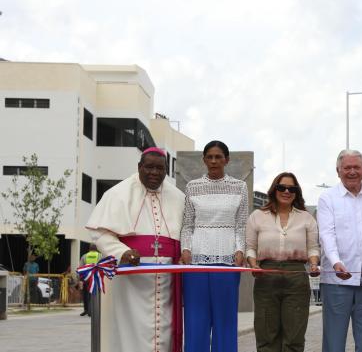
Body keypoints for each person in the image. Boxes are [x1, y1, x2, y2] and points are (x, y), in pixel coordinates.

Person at [85, 147, 185, 352]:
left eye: (160, 168)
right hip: (130, 282)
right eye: (149, 167)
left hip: (167, 281)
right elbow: (100, 233)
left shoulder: (178, 196)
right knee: (130, 334)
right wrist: (122, 252)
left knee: (165, 331)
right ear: (139, 167)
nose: (154, 173)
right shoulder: (118, 193)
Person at [181, 140, 248, 352]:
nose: (213, 161)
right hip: (196, 263)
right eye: (209, 157)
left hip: (227, 262)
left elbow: (241, 224)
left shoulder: (239, 186)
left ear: (226, 160)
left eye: (218, 157)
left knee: (225, 320)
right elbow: (187, 225)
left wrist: (240, 249)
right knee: (195, 319)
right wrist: (186, 249)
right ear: (203, 160)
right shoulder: (192, 186)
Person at [318, 150, 362, 352]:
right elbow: (327, 235)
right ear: (338, 171)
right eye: (347, 167)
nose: (352, 171)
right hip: (337, 280)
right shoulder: (327, 198)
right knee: (334, 342)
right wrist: (336, 262)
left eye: (357, 167)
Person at [246, 172, 320, 352]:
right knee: (266, 335)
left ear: (297, 192)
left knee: (294, 337)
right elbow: (250, 246)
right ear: (274, 190)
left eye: (291, 188)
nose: (286, 191)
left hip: (296, 276)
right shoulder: (257, 216)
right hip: (266, 276)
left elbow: (313, 248)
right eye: (282, 187)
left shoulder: (306, 218)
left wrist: (313, 263)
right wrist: (253, 263)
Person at [80, 244, 101, 316]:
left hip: (87, 277)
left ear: (89, 249)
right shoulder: (100, 255)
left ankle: (86, 310)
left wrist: (80, 278)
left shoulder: (84, 256)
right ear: (96, 249)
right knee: (95, 293)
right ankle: (93, 310)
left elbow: (81, 267)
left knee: (86, 294)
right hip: (96, 277)